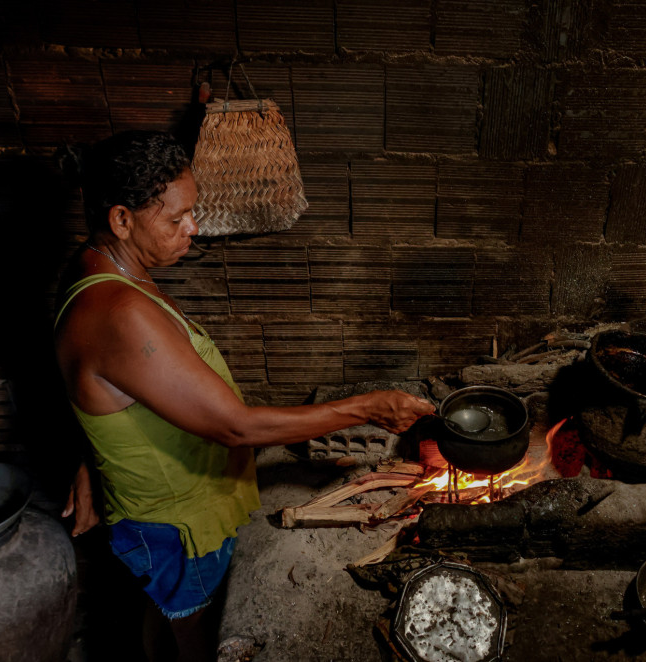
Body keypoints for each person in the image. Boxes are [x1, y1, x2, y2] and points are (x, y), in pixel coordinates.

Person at [53, 130, 434, 661]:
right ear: (121, 219)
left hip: (168, 504)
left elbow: (96, 385)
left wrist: (89, 459)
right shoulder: (119, 313)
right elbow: (236, 426)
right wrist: (365, 408)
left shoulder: (98, 266)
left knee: (168, 609)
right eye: (176, 218)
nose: (195, 227)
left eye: (194, 210)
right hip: (174, 522)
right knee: (196, 631)